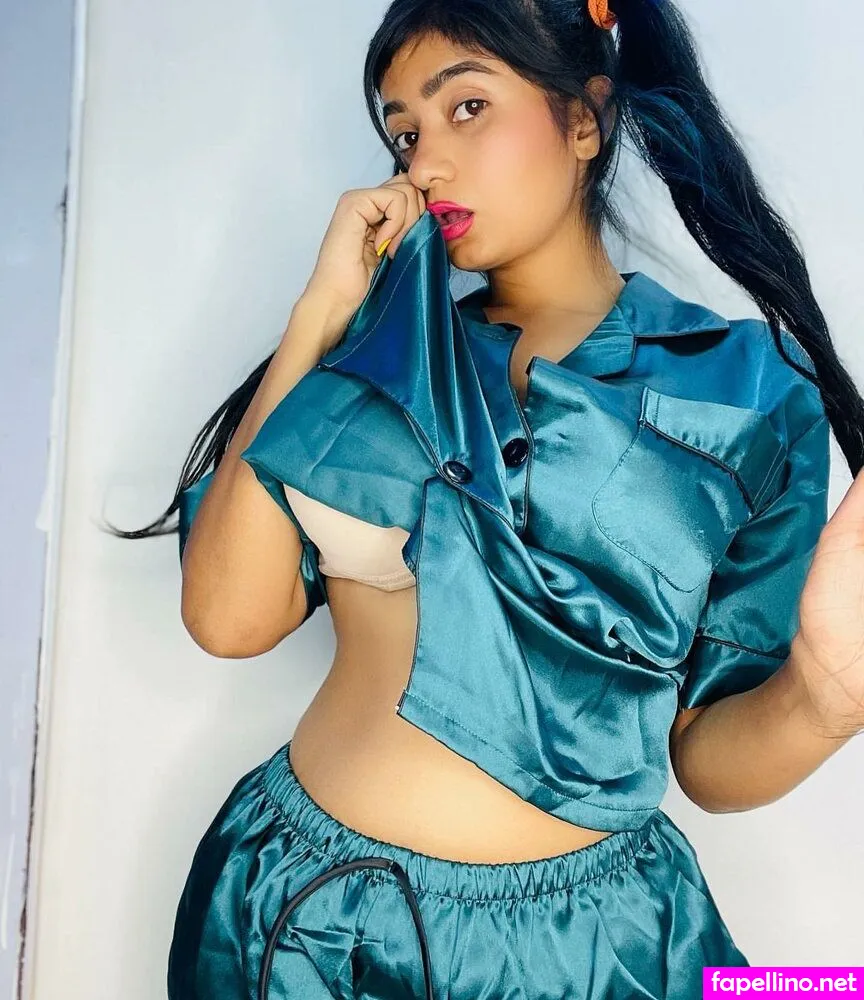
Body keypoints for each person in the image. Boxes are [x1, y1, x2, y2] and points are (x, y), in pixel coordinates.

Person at [108, 0, 864, 996]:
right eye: (404, 133)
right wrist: (322, 312)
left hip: (599, 951)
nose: (425, 163)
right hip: (309, 923)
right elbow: (228, 618)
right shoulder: (370, 356)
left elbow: (707, 764)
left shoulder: (751, 389)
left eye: (466, 107)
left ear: (584, 119)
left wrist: (825, 696)